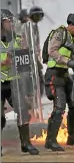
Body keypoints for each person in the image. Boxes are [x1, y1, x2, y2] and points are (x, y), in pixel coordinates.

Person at [43, 12, 74, 151]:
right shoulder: (60, 33)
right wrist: (68, 62)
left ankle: (72, 137)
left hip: (63, 74)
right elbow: (52, 51)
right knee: (59, 107)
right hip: (54, 74)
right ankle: (50, 140)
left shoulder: (71, 38)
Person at [1, 9, 39, 155]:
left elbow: (23, 60)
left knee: (23, 110)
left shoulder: (16, 39)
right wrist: (4, 61)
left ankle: (26, 143)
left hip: (14, 82)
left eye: (11, 20)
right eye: (7, 21)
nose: (10, 23)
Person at [19, 7, 45, 96]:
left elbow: (36, 43)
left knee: (39, 77)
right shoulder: (26, 26)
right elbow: (25, 43)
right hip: (27, 55)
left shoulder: (34, 26)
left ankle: (36, 96)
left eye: (39, 16)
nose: (37, 19)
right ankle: (31, 96)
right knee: (30, 78)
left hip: (34, 55)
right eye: (36, 16)